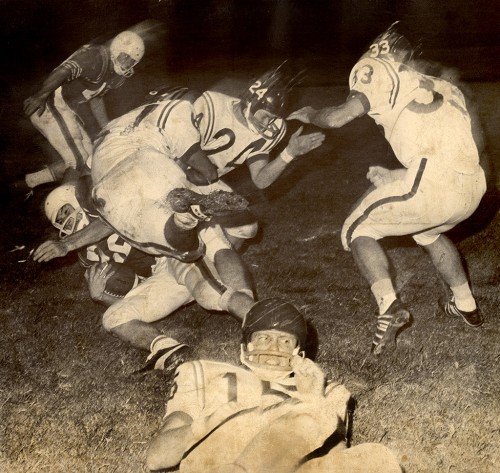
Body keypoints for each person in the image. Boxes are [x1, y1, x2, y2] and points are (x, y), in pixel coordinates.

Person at [288, 23, 487, 355]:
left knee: (356, 229)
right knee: (429, 233)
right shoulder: (442, 85)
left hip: (432, 182)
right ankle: (465, 304)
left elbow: (338, 117)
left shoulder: (373, 66)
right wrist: (402, 176)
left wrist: (311, 114)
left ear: (380, 50)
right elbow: (462, 146)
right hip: (472, 186)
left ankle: (389, 306)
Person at [146, 298, 403, 473]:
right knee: (298, 413)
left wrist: (313, 400)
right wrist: (224, 418)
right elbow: (157, 457)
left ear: (299, 352)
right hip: (219, 457)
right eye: (265, 338)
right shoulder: (203, 371)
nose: (274, 348)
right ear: (245, 347)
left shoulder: (325, 389)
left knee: (377, 457)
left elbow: (335, 456)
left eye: (285, 341)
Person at [36, 177, 257, 372]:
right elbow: (133, 287)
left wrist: (66, 244)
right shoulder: (89, 255)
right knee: (113, 317)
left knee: (208, 295)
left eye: (65, 211)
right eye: (58, 219)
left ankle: (263, 321)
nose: (64, 221)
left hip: (172, 252)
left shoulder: (107, 208)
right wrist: (101, 296)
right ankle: (168, 349)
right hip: (159, 275)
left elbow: (111, 221)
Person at [191, 63, 326, 248]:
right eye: (266, 116)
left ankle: (212, 269)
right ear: (252, 101)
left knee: (246, 227)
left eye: (273, 118)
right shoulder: (212, 105)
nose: (268, 124)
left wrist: (289, 153)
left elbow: (261, 180)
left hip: (206, 182)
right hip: (174, 168)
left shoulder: (274, 128)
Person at [20, 30, 145, 195]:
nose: (126, 63)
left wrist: (105, 128)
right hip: (50, 103)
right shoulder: (97, 56)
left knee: (91, 159)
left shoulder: (116, 75)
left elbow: (96, 99)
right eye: (125, 57)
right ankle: (66, 203)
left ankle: (26, 183)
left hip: (66, 108)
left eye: (131, 61)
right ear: (116, 48)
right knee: (78, 163)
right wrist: (40, 96)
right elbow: (63, 71)